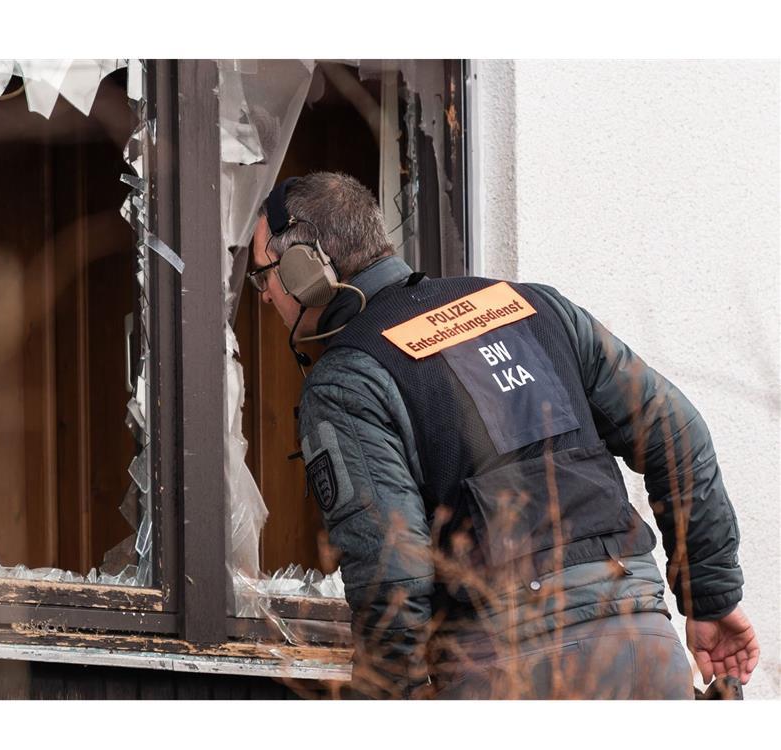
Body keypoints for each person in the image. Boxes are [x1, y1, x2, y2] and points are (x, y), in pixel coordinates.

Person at [248, 171, 758, 699]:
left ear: (304, 269)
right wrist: (712, 602)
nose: (263, 296)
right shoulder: (539, 307)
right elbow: (679, 436)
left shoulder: (348, 378)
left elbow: (391, 571)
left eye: (263, 277)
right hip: (644, 643)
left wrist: (389, 699)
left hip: (510, 671)